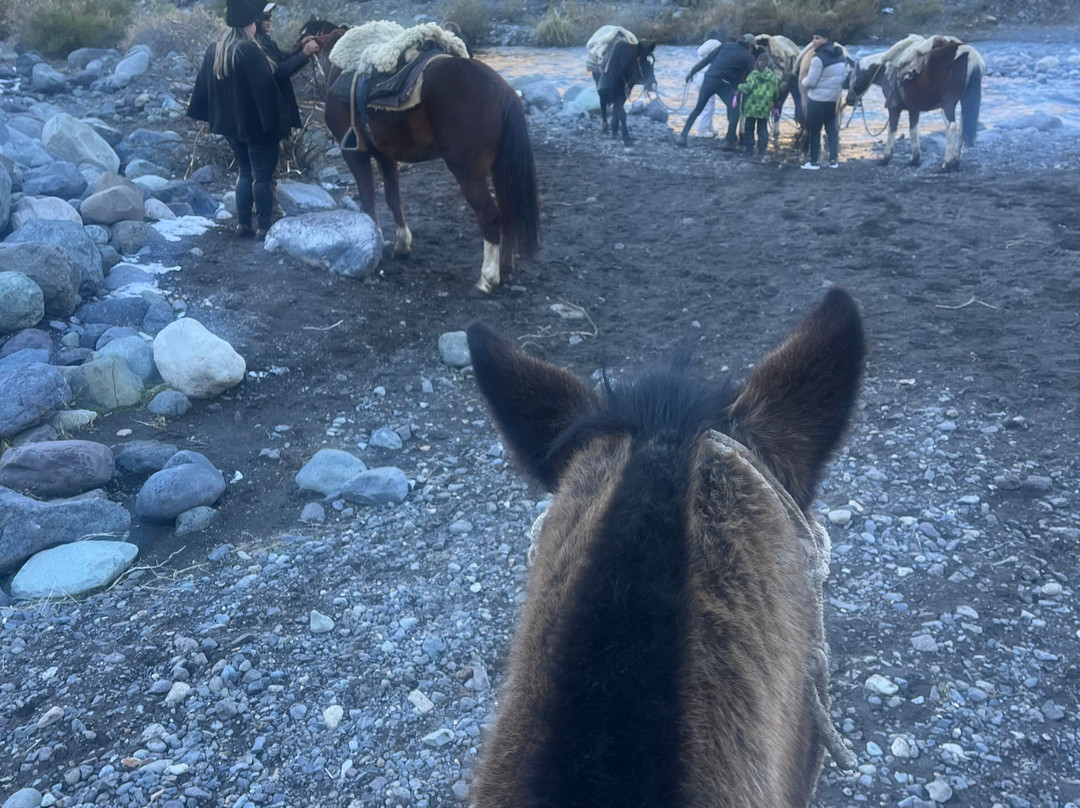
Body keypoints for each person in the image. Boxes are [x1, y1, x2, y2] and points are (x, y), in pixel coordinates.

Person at [187, 0, 318, 239]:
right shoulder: (250, 51)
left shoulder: (215, 50)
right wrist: (277, 126)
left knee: (245, 173)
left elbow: (205, 91)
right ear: (250, 24)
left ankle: (244, 224)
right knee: (262, 177)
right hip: (257, 128)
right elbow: (268, 89)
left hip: (231, 127)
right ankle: (265, 228)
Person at [677, 32, 756, 149]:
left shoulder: (726, 45)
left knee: (698, 108)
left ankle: (683, 136)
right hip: (724, 84)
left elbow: (707, 60)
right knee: (734, 110)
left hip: (709, 79)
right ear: (751, 46)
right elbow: (751, 77)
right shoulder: (748, 57)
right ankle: (729, 141)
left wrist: (692, 72)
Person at [799, 28, 846, 170]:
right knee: (831, 129)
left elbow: (811, 82)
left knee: (814, 131)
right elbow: (842, 78)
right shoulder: (839, 55)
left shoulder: (818, 58)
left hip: (816, 100)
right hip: (831, 100)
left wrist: (803, 81)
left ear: (826, 39)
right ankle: (833, 160)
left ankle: (813, 162)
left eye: (817, 38)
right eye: (813, 38)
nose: (814, 41)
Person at [737, 52, 780, 159]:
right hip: (764, 108)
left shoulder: (753, 75)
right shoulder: (772, 77)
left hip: (751, 107)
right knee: (762, 129)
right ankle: (761, 150)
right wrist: (775, 104)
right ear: (769, 64)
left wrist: (739, 87)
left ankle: (749, 149)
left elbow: (748, 88)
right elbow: (776, 92)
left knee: (749, 128)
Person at [689, 32, 722, 136]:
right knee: (709, 105)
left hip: (699, 77)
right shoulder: (717, 45)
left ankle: (709, 127)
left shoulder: (703, 47)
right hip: (707, 78)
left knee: (706, 103)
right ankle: (701, 130)